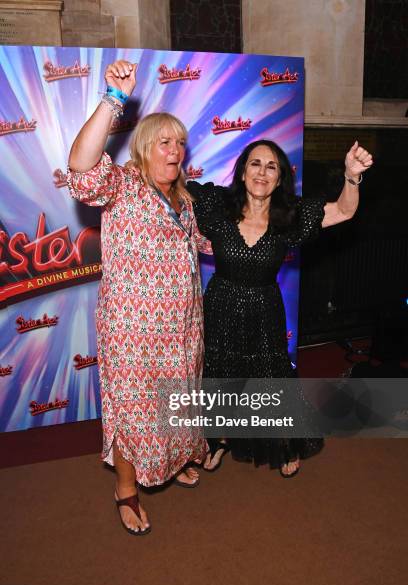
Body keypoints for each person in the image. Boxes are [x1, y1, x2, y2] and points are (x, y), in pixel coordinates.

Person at [67, 61, 212, 535]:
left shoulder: (185, 200)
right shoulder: (125, 186)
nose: (175, 150)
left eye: (180, 142)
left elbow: (204, 246)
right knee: (132, 409)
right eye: (165, 142)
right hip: (132, 334)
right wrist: (114, 98)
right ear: (145, 150)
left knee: (176, 404)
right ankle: (125, 488)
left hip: (183, 330)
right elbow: (82, 166)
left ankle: (171, 463)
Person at [188, 138, 373, 476]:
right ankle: (218, 437)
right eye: (255, 164)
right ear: (243, 172)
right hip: (222, 304)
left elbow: (345, 211)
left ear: (280, 177)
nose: (262, 172)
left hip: (264, 309)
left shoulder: (291, 216)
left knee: (270, 377)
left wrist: (351, 176)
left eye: (271, 166)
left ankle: (283, 441)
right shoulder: (218, 206)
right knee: (219, 374)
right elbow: (175, 191)